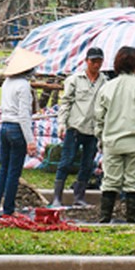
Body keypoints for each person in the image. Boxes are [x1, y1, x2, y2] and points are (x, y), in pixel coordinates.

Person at [94, 45, 135, 223]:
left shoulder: (107, 87)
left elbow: (98, 118)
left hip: (112, 143)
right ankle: (131, 220)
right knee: (134, 182)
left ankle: (104, 219)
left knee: (110, 182)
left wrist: (100, 138)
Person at [0, 46, 44, 217]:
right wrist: (30, 141)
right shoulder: (23, 86)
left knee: (3, 170)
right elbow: (24, 116)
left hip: (4, 127)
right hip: (16, 129)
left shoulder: (7, 83)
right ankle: (8, 210)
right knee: (14, 172)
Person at [50, 46, 106, 207]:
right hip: (75, 127)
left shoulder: (104, 82)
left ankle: (79, 197)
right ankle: (57, 198)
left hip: (94, 129)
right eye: (93, 61)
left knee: (88, 164)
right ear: (87, 61)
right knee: (66, 162)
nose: (96, 65)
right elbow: (65, 103)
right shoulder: (75, 79)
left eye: (99, 61)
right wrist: (62, 123)